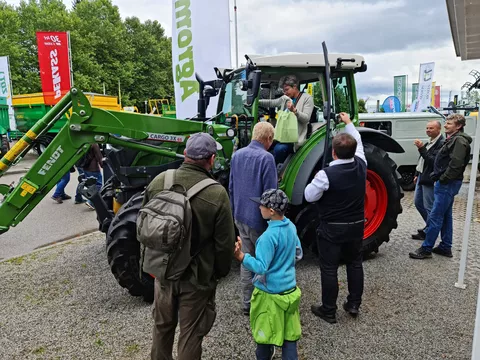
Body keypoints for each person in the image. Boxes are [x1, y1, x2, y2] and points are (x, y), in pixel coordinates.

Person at [145, 132, 236, 360]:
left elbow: (145, 228)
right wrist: (218, 273)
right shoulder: (216, 193)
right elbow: (224, 245)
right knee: (191, 334)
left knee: (161, 328)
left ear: (185, 154)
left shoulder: (159, 181)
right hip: (196, 277)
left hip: (163, 273)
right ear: (212, 159)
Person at [304, 112, 366, 323]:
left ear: (333, 153)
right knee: (355, 263)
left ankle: (328, 310)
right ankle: (354, 304)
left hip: (332, 228)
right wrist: (349, 122)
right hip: (357, 226)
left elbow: (309, 196)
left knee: (329, 268)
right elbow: (358, 140)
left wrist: (314, 181)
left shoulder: (325, 175)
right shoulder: (362, 164)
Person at [234, 188, 303, 360]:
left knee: (264, 336)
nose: (259, 208)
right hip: (289, 291)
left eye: (262, 205)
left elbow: (261, 267)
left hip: (269, 295)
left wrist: (242, 256)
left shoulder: (267, 237)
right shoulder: (291, 227)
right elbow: (298, 253)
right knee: (289, 337)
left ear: (271, 211)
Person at [229, 121, 278, 315]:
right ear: (268, 139)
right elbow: (270, 195)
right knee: (264, 262)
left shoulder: (237, 155)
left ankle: (247, 303)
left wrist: (235, 212)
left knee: (246, 259)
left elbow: (231, 187)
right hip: (259, 220)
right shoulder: (267, 159)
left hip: (240, 215)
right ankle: (264, 304)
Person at [409, 114, 472, 259]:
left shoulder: (459, 141)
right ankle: (445, 246)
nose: (446, 125)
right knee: (446, 215)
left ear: (458, 126)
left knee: (436, 216)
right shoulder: (453, 139)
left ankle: (426, 248)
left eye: (449, 123)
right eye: (446, 123)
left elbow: (455, 164)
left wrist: (442, 179)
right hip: (445, 183)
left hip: (447, 184)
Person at [259, 75, 314, 164]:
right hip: (281, 135)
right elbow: (272, 103)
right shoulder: (285, 99)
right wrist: (256, 102)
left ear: (295, 87)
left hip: (294, 138)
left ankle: (276, 170)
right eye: (284, 91)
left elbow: (306, 119)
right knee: (262, 144)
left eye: (287, 89)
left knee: (279, 149)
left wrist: (294, 111)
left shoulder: (307, 98)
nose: (285, 93)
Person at [412, 121, 444, 240]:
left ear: (438, 129)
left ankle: (431, 231)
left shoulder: (441, 144)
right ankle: (430, 227)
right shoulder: (429, 142)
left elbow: (433, 162)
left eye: (431, 128)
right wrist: (416, 173)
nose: (428, 130)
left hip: (429, 178)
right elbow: (422, 160)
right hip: (421, 176)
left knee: (429, 206)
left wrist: (421, 148)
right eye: (427, 128)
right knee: (418, 202)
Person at [81, 143, 104, 210]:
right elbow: (99, 156)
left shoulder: (84, 143)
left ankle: (84, 199)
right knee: (98, 185)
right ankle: (90, 202)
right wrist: (103, 165)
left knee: (90, 185)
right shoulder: (94, 144)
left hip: (85, 168)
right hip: (94, 169)